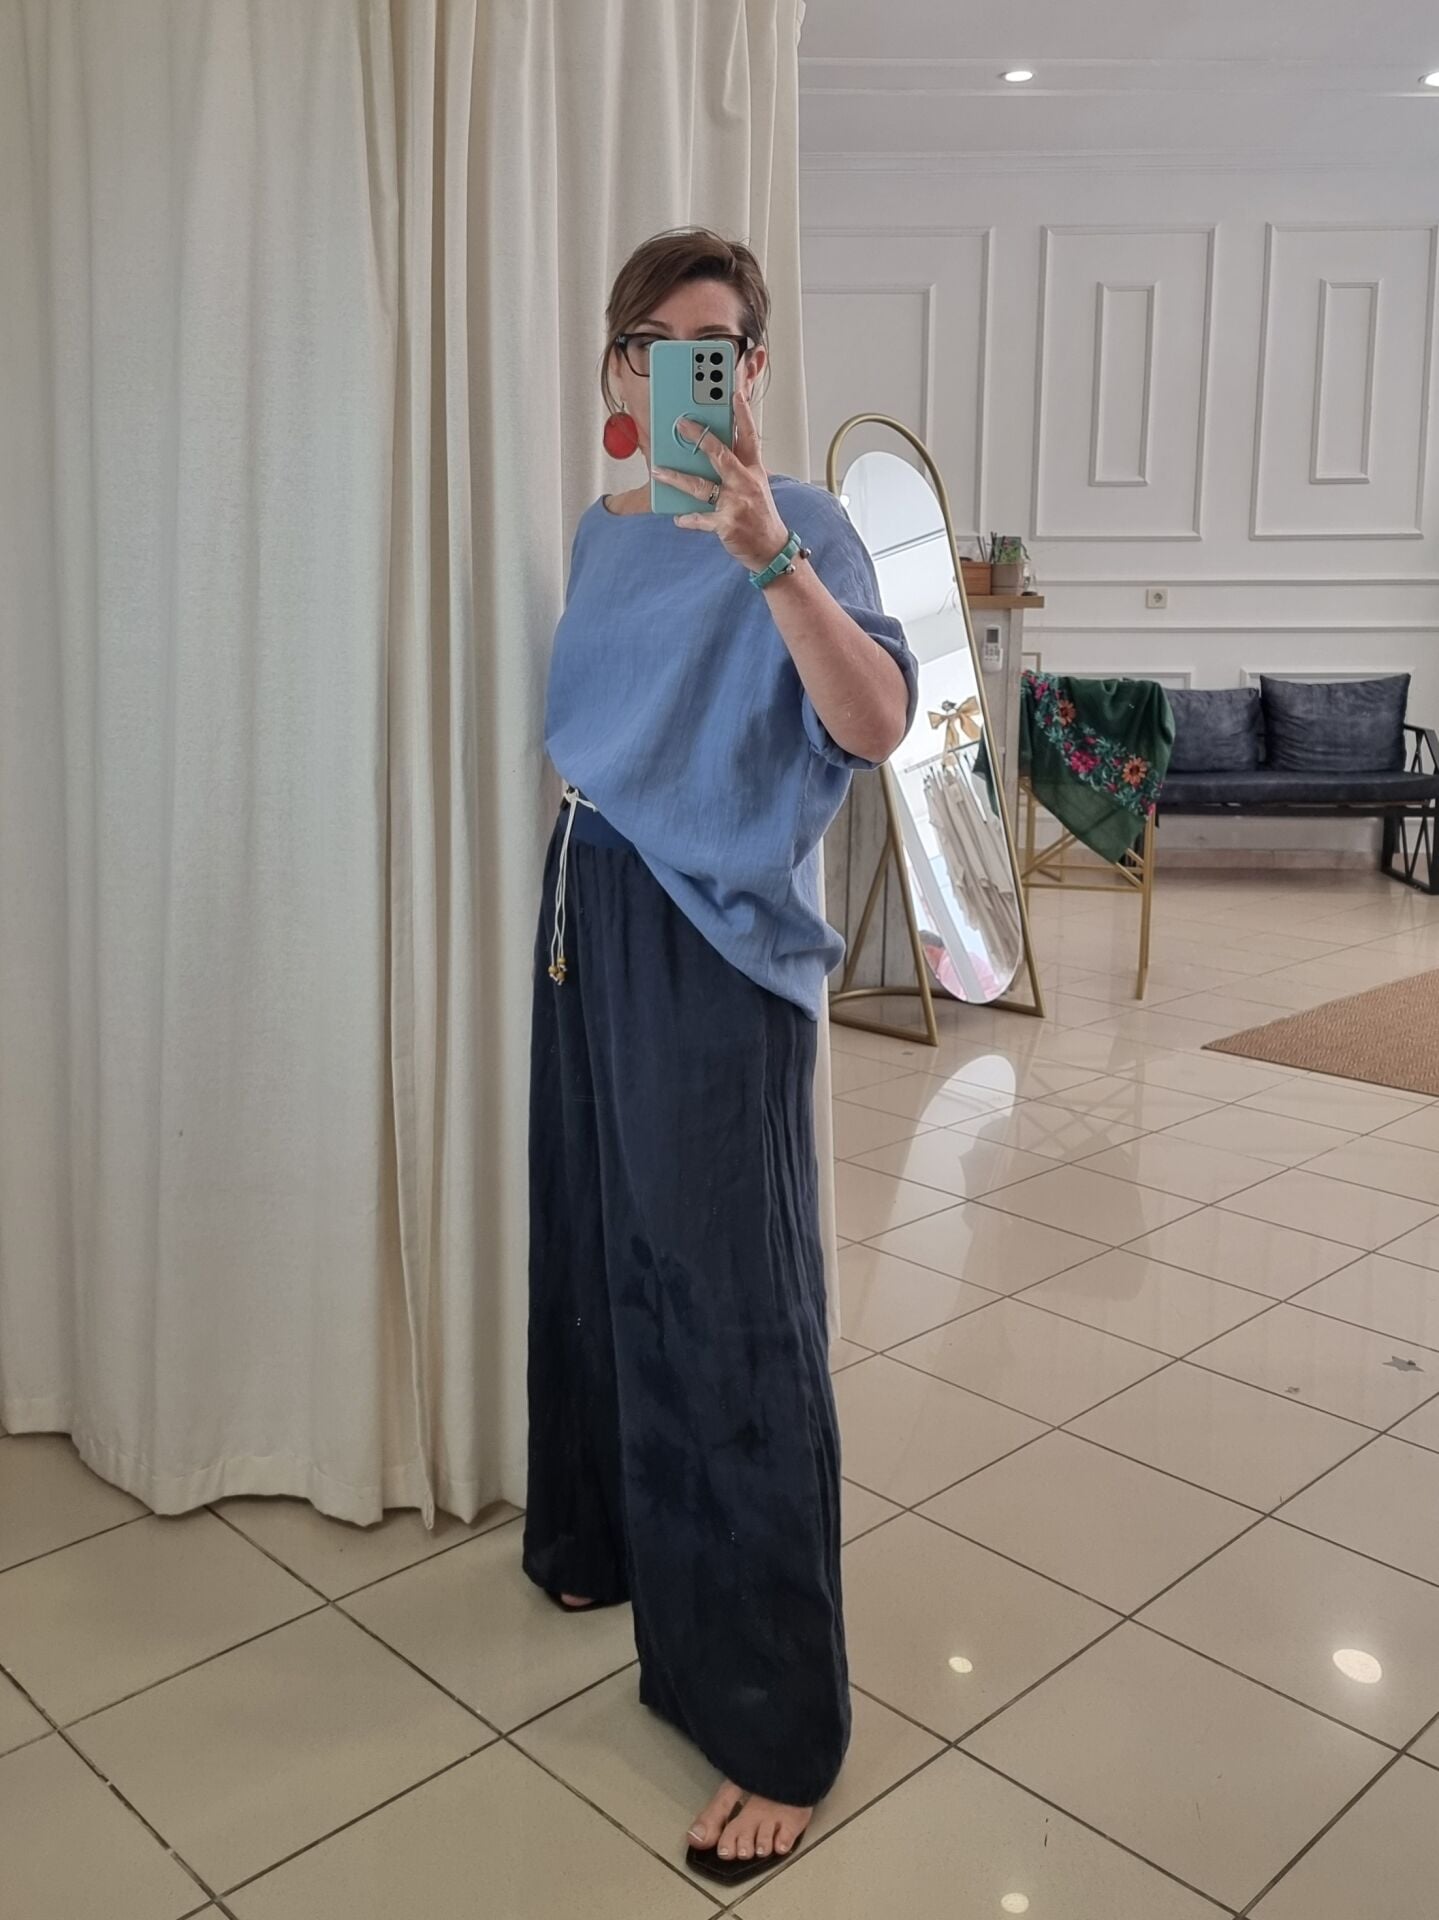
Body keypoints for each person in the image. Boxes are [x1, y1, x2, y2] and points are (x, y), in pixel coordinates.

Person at [524, 227, 917, 1886]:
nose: (686, 370)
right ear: (623, 368)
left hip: (714, 942)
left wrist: (771, 559)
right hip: (588, 900)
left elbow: (876, 725)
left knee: (730, 1306)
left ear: (749, 370)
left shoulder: (801, 520)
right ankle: (606, 1539)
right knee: (596, 1249)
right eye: (655, 345)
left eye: (717, 348)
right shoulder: (603, 530)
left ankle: (774, 1716)